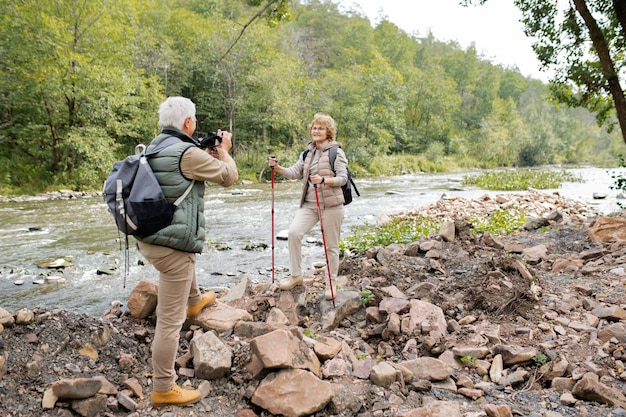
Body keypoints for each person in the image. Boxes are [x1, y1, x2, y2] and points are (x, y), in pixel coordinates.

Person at [136, 96, 238, 407]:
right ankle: (164, 387)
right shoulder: (187, 153)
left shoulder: (153, 147)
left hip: (148, 239)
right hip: (171, 248)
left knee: (185, 258)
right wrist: (225, 152)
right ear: (189, 123)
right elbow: (228, 177)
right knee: (169, 322)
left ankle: (194, 301)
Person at [268, 113, 348, 301]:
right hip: (310, 205)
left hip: (332, 206)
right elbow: (295, 173)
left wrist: (324, 180)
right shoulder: (307, 152)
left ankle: (331, 284)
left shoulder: (336, 152)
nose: (316, 131)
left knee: (331, 247)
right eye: (314, 128)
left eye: (320, 128)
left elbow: (343, 178)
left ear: (328, 131)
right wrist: (278, 168)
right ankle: (296, 276)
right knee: (294, 233)